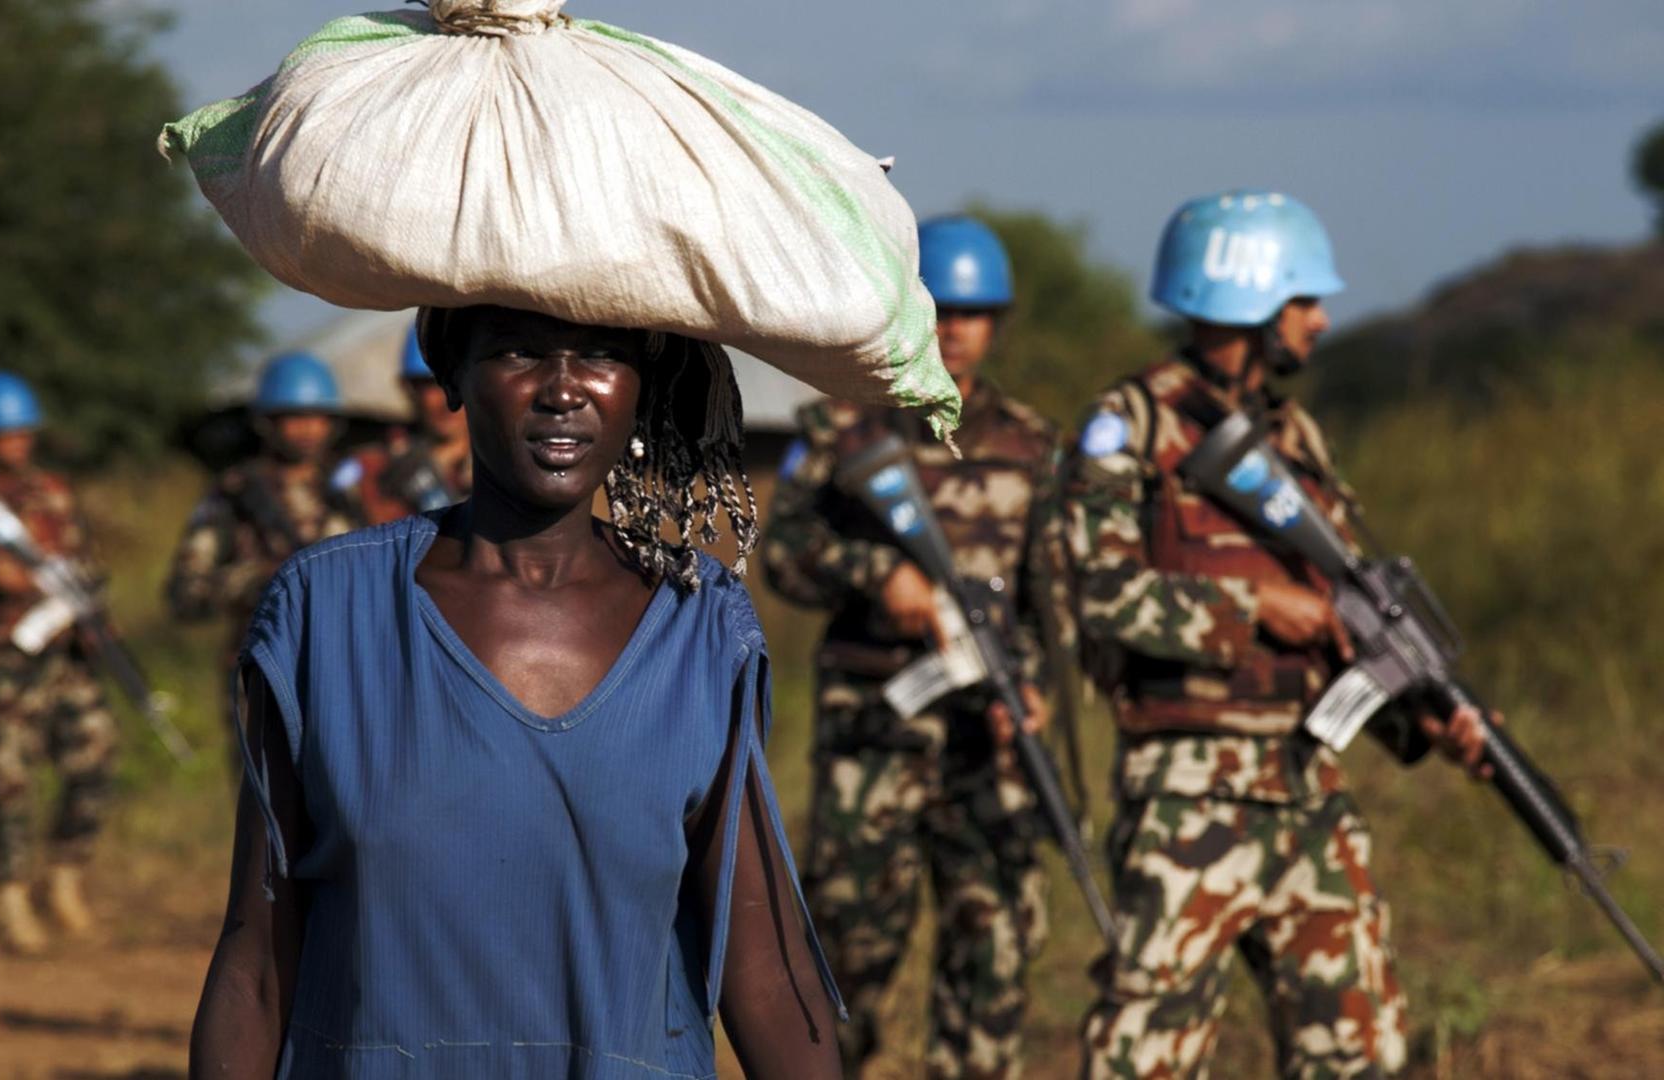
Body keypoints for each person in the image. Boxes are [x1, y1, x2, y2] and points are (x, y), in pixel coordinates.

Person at [191, 305, 845, 1078]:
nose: (563, 390)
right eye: (517, 352)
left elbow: (766, 967)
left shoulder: (699, 629)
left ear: (641, 385)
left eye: (602, 354)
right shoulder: (327, 612)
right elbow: (257, 963)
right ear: (453, 379)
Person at [1064, 190, 1491, 1078]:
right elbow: (1100, 594)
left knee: (1362, 1050)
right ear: (1248, 303)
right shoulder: (1131, 425)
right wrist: (1250, 608)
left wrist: (1424, 721)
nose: (1323, 321)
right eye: (1304, 301)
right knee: (1145, 1056)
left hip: (1308, 789)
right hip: (1188, 798)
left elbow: (1346, 624)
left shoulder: (1297, 437)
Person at [763, 215, 1065, 1078]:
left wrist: (1034, 692)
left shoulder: (1032, 446)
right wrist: (875, 577)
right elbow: (782, 553)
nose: (956, 328)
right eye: (941, 308)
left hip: (990, 743)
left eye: (975, 312)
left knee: (994, 955)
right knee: (846, 959)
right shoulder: (838, 432)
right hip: (875, 738)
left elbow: (1049, 603)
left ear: (997, 322)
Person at [0, 371, 120, 954]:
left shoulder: (55, 494)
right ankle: (11, 899)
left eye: (20, 432)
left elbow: (83, 562)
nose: (13, 443)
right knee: (5, 782)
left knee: (95, 751)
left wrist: (94, 615)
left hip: (62, 655)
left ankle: (65, 877)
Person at [166, 351, 363, 757]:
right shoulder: (235, 495)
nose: (308, 429)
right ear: (268, 423)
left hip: (346, 675)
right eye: (294, 417)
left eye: (317, 416)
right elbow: (185, 593)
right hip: (264, 677)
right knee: (268, 809)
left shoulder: (347, 492)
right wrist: (260, 580)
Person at [342, 327, 474, 525]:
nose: (447, 399)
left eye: (455, 381)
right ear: (409, 389)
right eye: (432, 384)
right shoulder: (379, 470)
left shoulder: (505, 461)